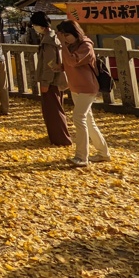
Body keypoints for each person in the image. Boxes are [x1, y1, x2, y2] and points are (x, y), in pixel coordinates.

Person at [54, 20, 110, 167]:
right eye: (62, 35)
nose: (65, 38)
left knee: (79, 118)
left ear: (75, 33)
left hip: (87, 87)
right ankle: (103, 153)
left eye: (67, 35)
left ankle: (81, 157)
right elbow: (69, 64)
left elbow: (73, 61)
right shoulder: (71, 45)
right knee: (89, 121)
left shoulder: (86, 45)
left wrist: (62, 45)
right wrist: (60, 67)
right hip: (75, 87)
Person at [30, 12, 71, 147]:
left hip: (52, 81)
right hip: (58, 79)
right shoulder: (54, 37)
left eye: (34, 25)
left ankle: (60, 139)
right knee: (56, 108)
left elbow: (50, 64)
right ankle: (58, 137)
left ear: (39, 25)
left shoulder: (48, 41)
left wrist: (45, 82)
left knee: (52, 110)